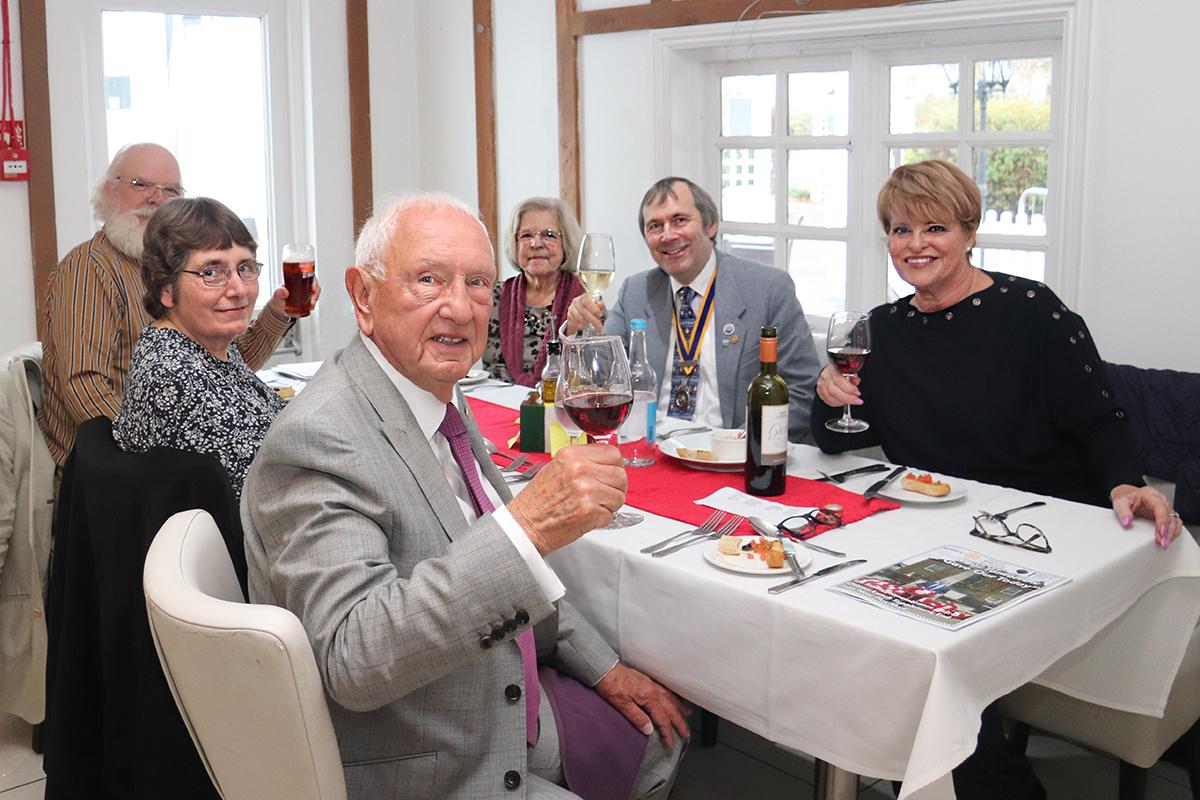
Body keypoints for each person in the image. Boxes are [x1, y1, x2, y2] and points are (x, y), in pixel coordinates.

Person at [242, 193, 688, 799]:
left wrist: (603, 668)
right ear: (362, 296)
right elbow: (354, 658)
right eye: (428, 280)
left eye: (478, 283)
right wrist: (526, 529)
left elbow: (504, 568)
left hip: (494, 685)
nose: (459, 306)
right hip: (429, 753)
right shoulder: (321, 436)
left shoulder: (435, 393)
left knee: (663, 738)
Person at [812, 159, 1184, 800]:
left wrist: (1125, 483)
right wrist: (826, 394)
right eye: (901, 230)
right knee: (848, 620)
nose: (917, 244)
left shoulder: (1032, 312)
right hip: (924, 532)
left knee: (917, 658)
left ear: (969, 232)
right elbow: (835, 433)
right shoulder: (884, 328)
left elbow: (1099, 415)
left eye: (936, 227)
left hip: (1032, 531)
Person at [39, 143, 312, 467]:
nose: (157, 198)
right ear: (110, 192)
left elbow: (222, 364)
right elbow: (85, 385)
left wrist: (276, 314)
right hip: (104, 479)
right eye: (141, 185)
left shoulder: (181, 275)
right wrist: (133, 468)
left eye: (170, 189)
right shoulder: (89, 267)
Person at [566, 177, 820, 442]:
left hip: (736, 451)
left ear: (711, 225)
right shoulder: (636, 291)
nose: (667, 235)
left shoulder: (768, 289)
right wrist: (578, 331)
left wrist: (749, 444)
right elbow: (599, 379)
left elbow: (802, 390)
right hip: (654, 449)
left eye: (679, 220)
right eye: (655, 226)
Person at [111, 198, 286, 498]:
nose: (238, 289)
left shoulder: (207, 346)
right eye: (211, 272)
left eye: (244, 268)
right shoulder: (172, 375)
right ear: (165, 287)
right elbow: (267, 491)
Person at [482, 197, 585, 385]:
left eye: (549, 235)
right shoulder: (494, 296)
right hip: (499, 405)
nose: (536, 243)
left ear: (566, 243)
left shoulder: (583, 300)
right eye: (527, 235)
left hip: (560, 407)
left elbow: (595, 372)